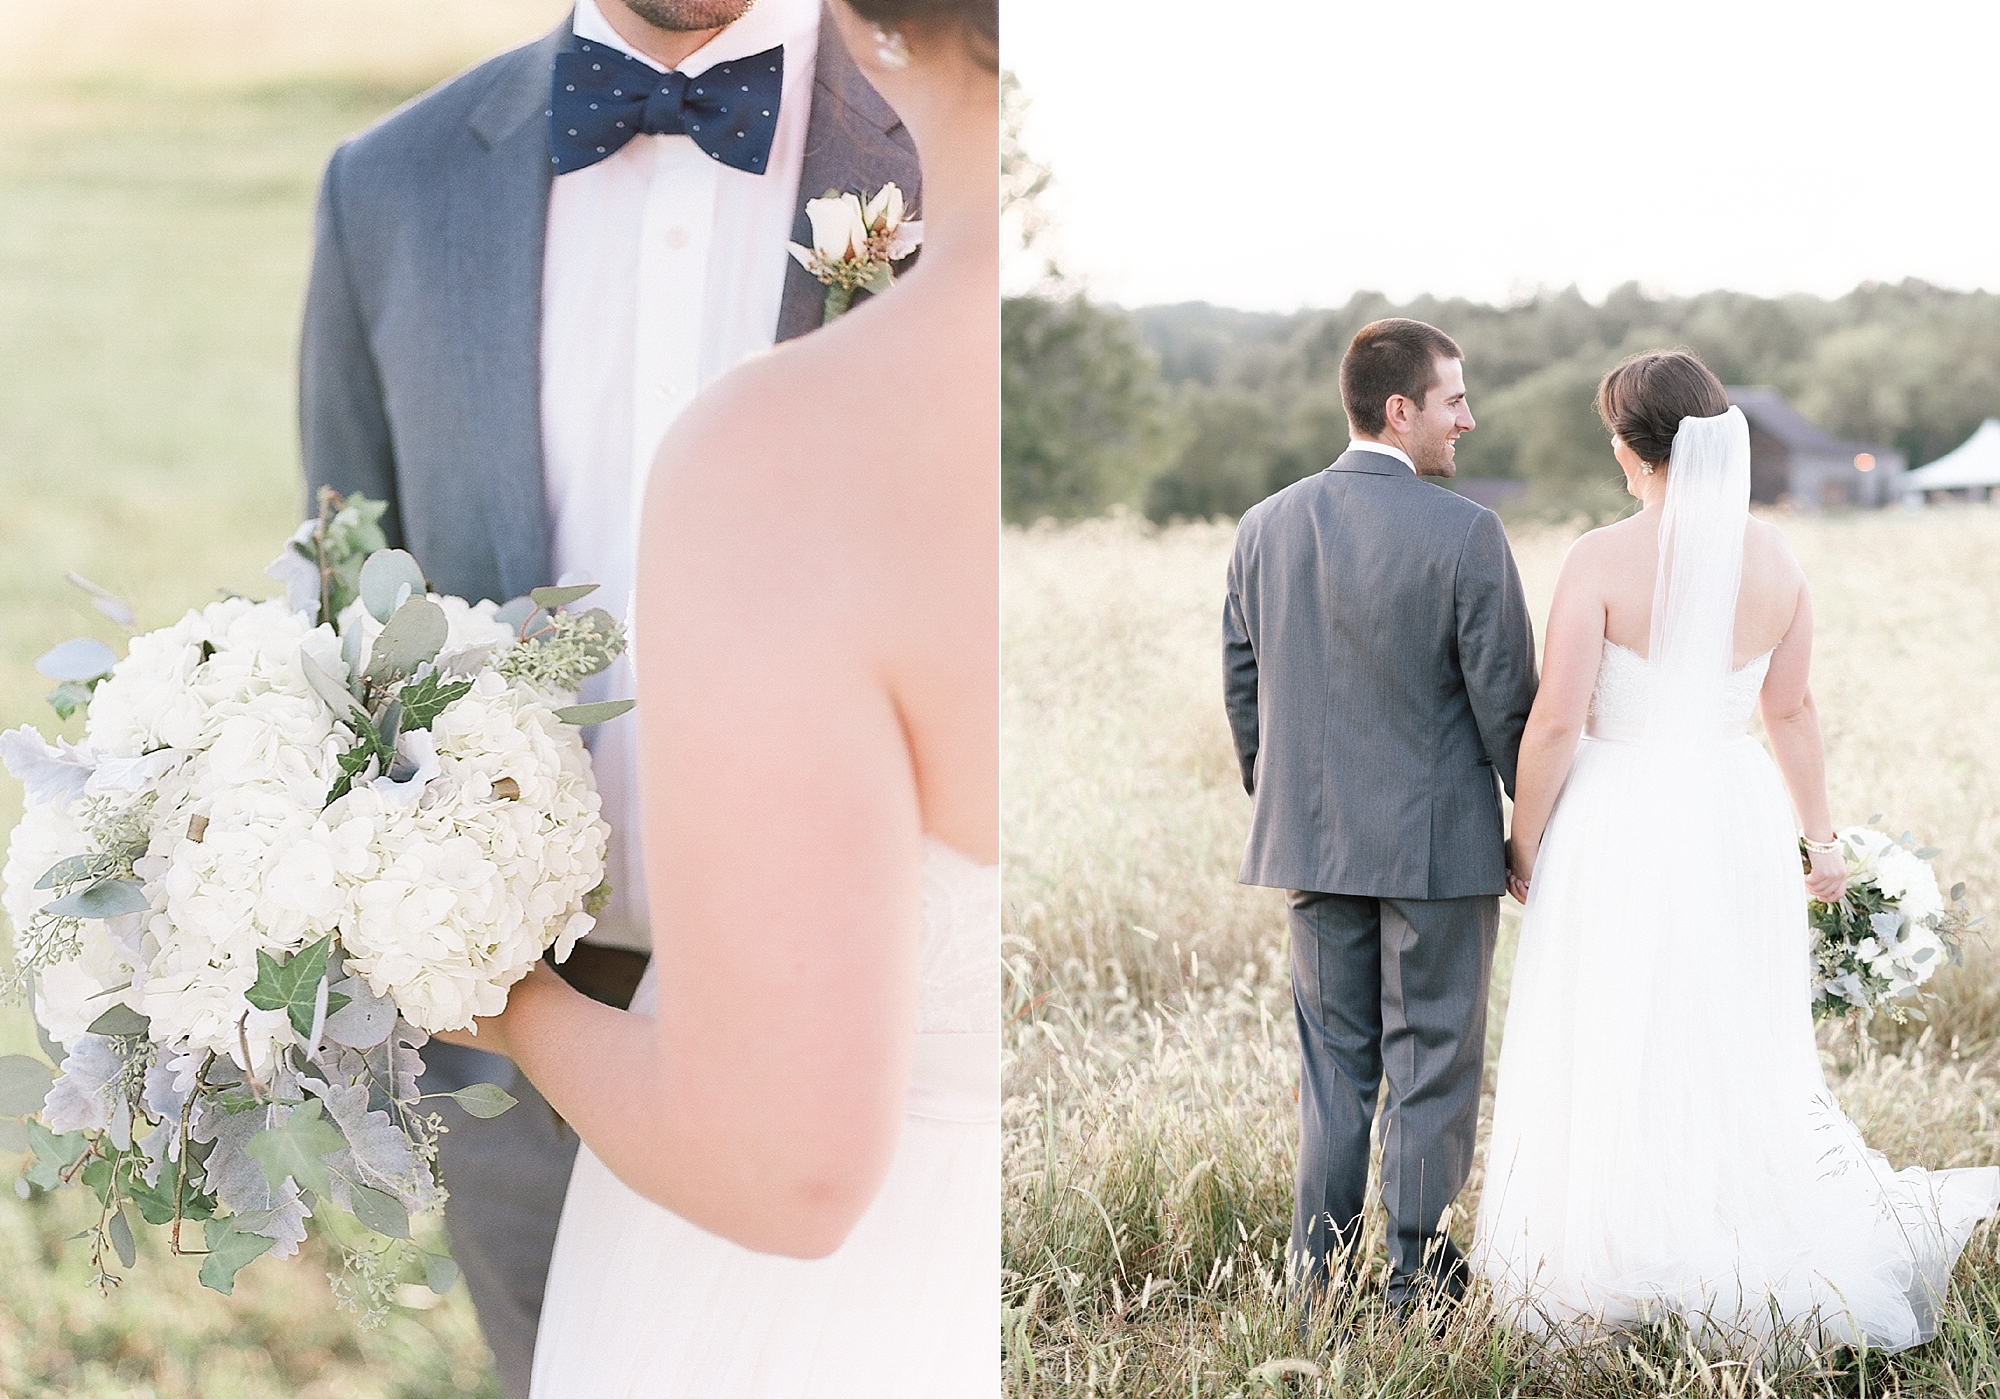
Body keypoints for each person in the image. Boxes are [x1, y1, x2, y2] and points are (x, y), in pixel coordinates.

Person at [297, 0, 921, 1389]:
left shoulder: (946, 148)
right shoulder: (390, 187)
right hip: (520, 1064)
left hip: (878, 1049)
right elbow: (342, 605)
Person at [429, 0, 998, 1392]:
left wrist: (493, 993)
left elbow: (783, 1163)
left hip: (772, 1287)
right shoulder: (400, 183)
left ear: (874, 30)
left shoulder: (782, 448)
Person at [1471, 350, 2000, 1352]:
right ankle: (1728, 1223)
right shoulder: (1776, 559)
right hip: (1731, 811)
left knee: (1616, 1020)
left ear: (1632, 448)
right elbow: (1789, 707)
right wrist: (1820, 842)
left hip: (1616, 814)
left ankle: (1613, 1248)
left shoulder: (1597, 556)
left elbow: (1551, 722)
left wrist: (1522, 840)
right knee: (1725, 1027)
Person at [1222, 318, 1539, 1320]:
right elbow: (1507, 705)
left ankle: (1313, 1285)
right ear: (1398, 409)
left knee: (1332, 1073)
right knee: (1430, 1064)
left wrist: (1287, 798)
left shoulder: (1262, 525)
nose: (1467, 419)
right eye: (1453, 399)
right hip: (1436, 852)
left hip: (1309, 843)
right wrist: (1531, 830)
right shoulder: (1465, 533)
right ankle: (1408, 1283)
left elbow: (1243, 682)